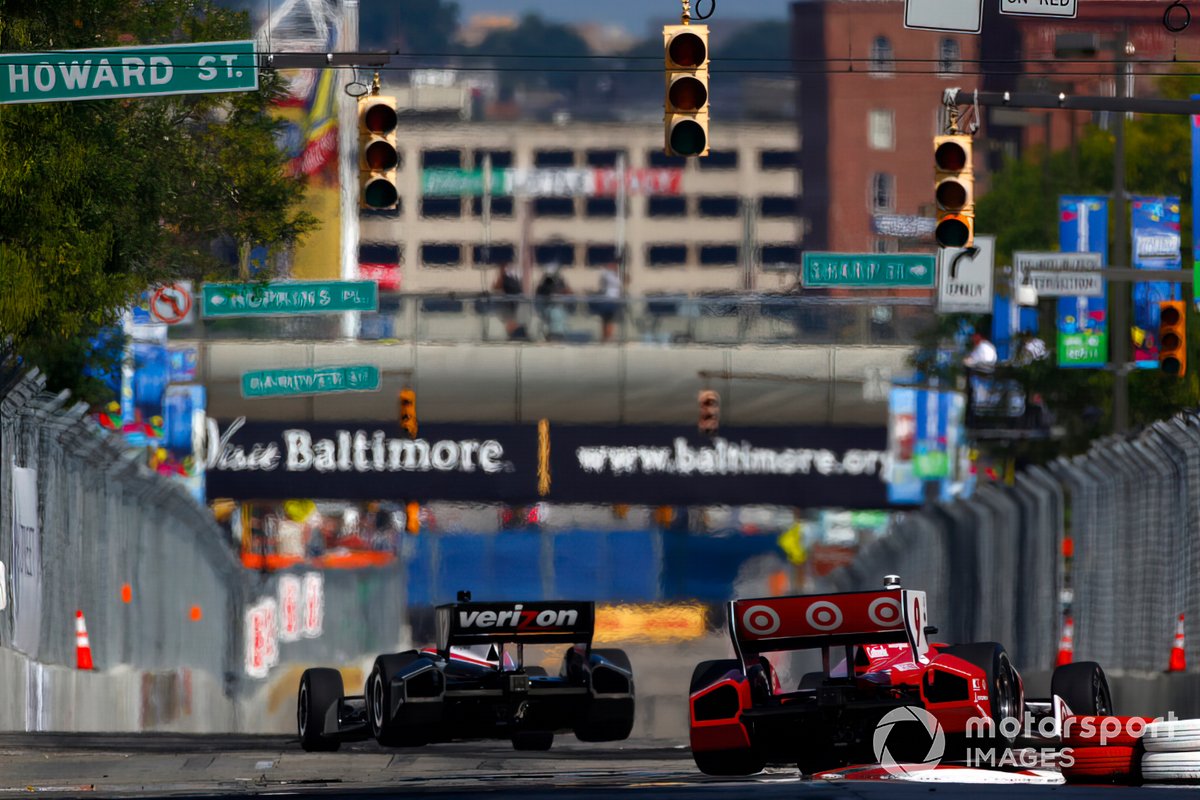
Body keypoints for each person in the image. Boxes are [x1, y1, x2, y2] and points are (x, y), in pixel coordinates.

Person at [535, 263, 571, 341]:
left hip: (559, 315)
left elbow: (568, 292)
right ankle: (551, 336)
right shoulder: (543, 286)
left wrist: (562, 290)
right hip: (547, 312)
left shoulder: (561, 283)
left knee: (558, 314)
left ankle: (557, 336)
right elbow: (540, 297)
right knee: (553, 315)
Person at [493, 262, 526, 340]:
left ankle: (516, 335)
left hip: (513, 304)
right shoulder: (507, 278)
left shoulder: (511, 277)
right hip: (511, 304)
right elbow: (496, 287)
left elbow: (497, 286)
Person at [596, 261, 624, 342]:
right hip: (608, 299)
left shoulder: (617, 276)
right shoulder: (607, 274)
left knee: (611, 319)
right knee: (606, 319)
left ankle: (609, 336)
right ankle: (605, 336)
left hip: (614, 300)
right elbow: (604, 276)